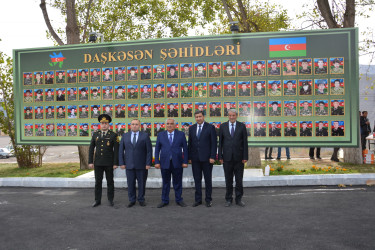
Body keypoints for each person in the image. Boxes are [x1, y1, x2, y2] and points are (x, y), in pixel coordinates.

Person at [154, 118, 188, 208]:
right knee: (165, 182)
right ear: (165, 125)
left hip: (177, 162)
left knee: (178, 182)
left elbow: (185, 148)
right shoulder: (161, 135)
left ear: (175, 125)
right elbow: (157, 149)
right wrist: (156, 162)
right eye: (168, 123)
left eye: (171, 123)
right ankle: (164, 200)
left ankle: (179, 200)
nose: (169, 125)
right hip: (165, 162)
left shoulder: (181, 134)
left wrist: (185, 161)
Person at [119, 119, 152, 207]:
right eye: (133, 124)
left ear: (139, 125)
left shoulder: (145, 135)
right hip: (129, 164)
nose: (134, 126)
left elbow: (149, 151)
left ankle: (141, 199)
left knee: (142, 183)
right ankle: (132, 200)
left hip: (142, 165)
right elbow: (121, 150)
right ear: (130, 125)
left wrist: (148, 163)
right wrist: (121, 163)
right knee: (130, 183)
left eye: (136, 124)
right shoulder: (125, 136)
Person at [218, 109, 248, 207]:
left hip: (239, 159)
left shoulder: (242, 126)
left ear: (236, 116)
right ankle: (228, 199)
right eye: (230, 115)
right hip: (227, 158)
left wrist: (245, 157)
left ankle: (238, 199)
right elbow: (220, 143)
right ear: (228, 116)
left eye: (233, 115)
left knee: (239, 180)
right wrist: (220, 156)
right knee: (228, 180)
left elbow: (245, 143)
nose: (231, 117)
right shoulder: (222, 126)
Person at [89, 114, 119, 207]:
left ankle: (110, 200)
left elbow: (116, 150)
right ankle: (97, 200)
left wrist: (115, 163)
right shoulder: (95, 134)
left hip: (109, 163)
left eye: (106, 123)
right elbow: (91, 148)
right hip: (98, 163)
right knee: (98, 182)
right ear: (100, 124)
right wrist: (90, 161)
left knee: (110, 182)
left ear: (109, 124)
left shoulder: (113, 135)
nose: (104, 125)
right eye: (102, 123)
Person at [188, 111, 217, 207]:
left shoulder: (210, 127)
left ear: (203, 117)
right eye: (196, 117)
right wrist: (189, 157)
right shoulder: (192, 128)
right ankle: (198, 200)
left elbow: (214, 144)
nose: (198, 118)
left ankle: (208, 200)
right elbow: (190, 144)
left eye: (200, 116)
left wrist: (213, 156)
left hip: (207, 159)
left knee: (208, 180)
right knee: (197, 179)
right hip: (195, 159)